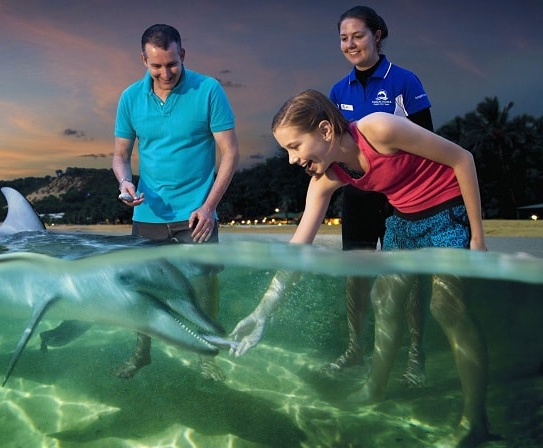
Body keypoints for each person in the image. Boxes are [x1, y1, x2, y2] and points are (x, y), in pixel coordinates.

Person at [229, 90, 496, 446]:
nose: (292, 160)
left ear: (325, 130)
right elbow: (297, 249)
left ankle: (475, 419)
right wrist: (263, 311)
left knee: (445, 306)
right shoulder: (327, 177)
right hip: (403, 221)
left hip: (447, 211)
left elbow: (462, 159)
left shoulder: (379, 129)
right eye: (287, 151)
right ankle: (374, 389)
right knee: (384, 299)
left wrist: (477, 238)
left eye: (295, 146)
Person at [111, 24, 240, 381]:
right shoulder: (130, 98)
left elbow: (229, 154)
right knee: (144, 289)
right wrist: (125, 181)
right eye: (156, 66)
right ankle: (142, 352)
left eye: (172, 64)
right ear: (144, 60)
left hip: (197, 214)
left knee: (202, 286)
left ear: (183, 54)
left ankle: (207, 353)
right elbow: (120, 155)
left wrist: (209, 206)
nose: (165, 73)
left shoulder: (209, 89)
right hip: (148, 213)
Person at [325, 5, 434, 388]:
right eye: (344, 37)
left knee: (406, 279)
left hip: (403, 197)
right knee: (355, 276)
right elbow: (334, 149)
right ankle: (356, 349)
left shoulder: (405, 81)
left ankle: (415, 357)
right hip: (359, 196)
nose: (351, 44)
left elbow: (429, 144)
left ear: (378, 35)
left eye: (358, 35)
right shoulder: (338, 91)